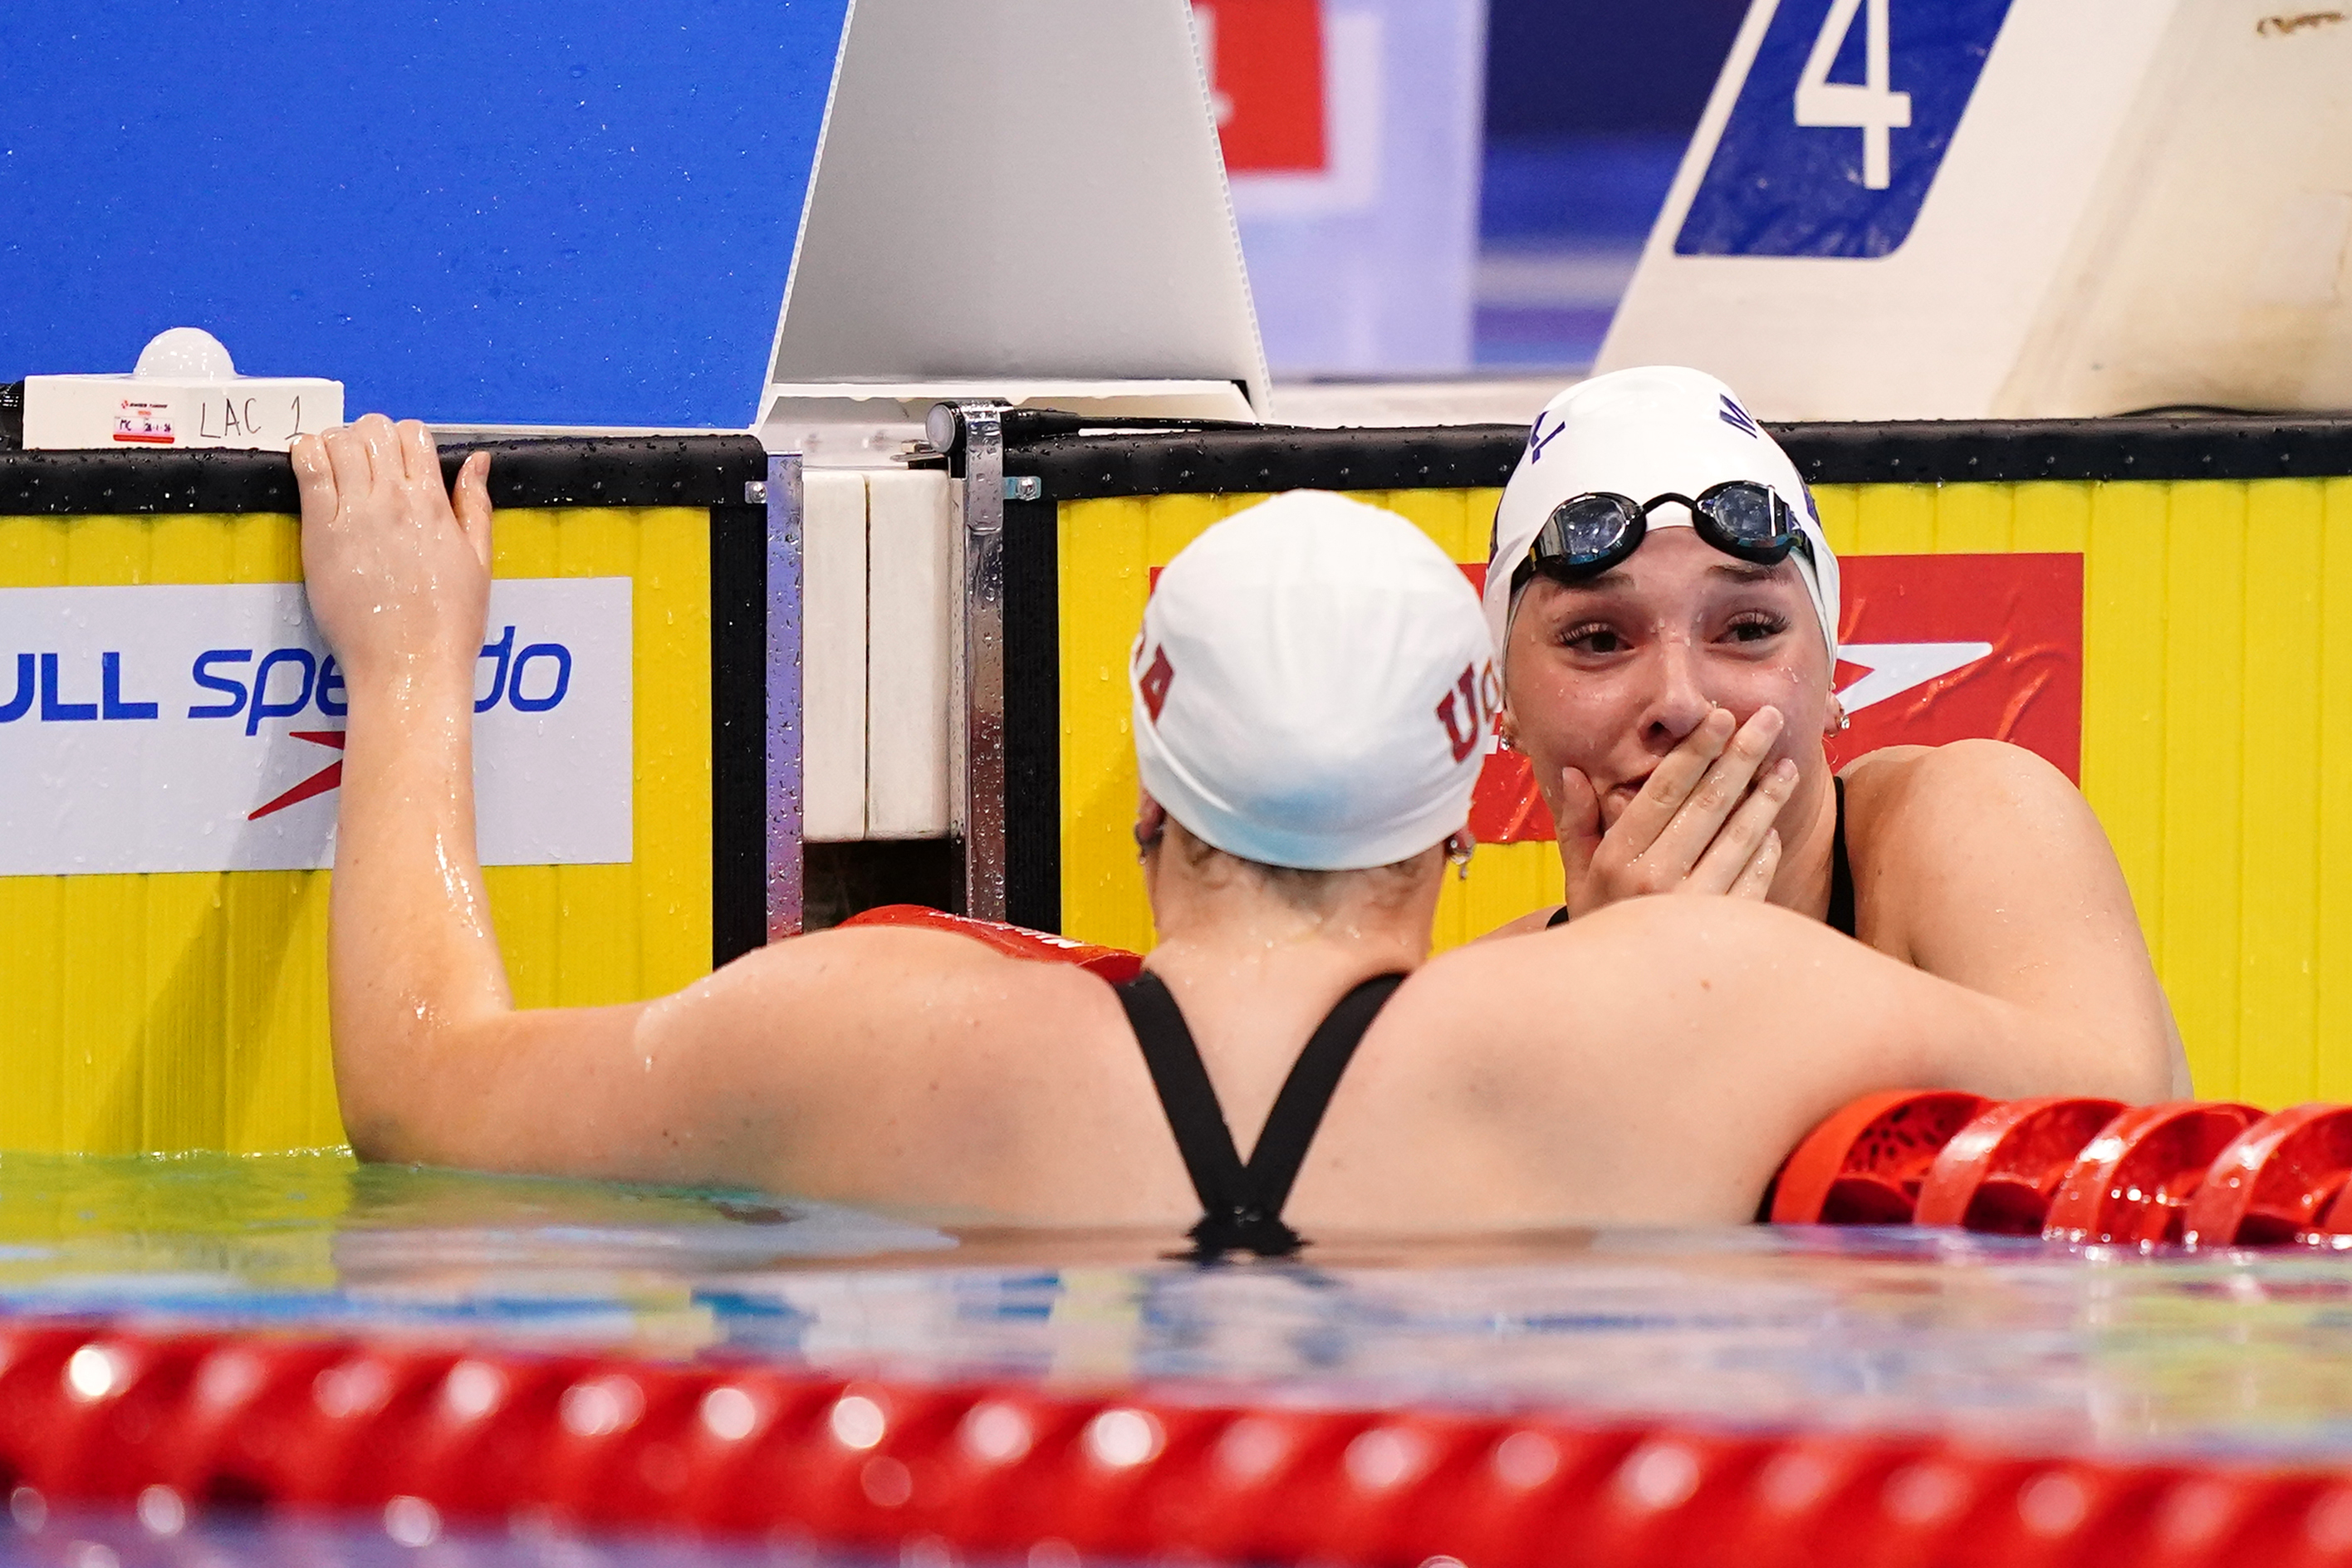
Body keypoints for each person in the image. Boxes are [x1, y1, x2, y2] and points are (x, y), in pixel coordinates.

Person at [294, 415, 2168, 1247]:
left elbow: (416, 1084)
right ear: (1464, 801)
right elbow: (2140, 1119)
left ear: (1140, 791)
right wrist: (1651, 948)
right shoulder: (1709, 996)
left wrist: (403, 667)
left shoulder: (879, 1022)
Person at [1482, 366, 2188, 1096]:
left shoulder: (1973, 819)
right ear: (1505, 703)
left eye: (1747, 630)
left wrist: (1699, 981)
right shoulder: (1485, 1017)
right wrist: (1614, 1008)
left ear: (1830, 679)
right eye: (1599, 641)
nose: (1680, 700)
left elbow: (2108, 1147)